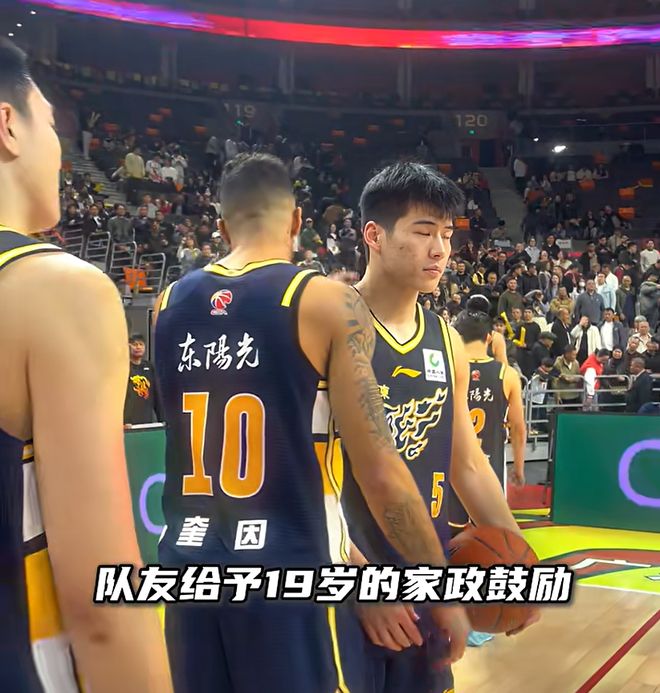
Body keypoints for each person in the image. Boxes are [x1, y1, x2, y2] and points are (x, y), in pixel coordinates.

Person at [153, 154, 476, 693]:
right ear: (298, 220)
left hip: (189, 574)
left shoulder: (166, 304)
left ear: (221, 226)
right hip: (292, 578)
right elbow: (381, 473)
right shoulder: (325, 300)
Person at [0, 39, 172, 691]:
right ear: (8, 125)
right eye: (51, 124)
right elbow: (103, 605)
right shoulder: (55, 290)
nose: (59, 148)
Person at [339, 162, 537, 693]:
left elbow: (466, 463)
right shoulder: (330, 325)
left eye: (447, 235)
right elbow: (300, 478)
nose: (440, 250)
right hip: (348, 575)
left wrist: (522, 566)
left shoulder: (445, 339)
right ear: (374, 235)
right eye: (424, 232)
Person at [448, 309, 527, 530]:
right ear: (490, 338)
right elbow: (518, 428)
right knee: (490, 537)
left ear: (457, 336)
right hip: (488, 466)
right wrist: (519, 468)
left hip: (450, 466)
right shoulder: (507, 374)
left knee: (448, 537)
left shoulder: (445, 369)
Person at [124, 333, 163, 425]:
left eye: (141, 344)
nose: (138, 347)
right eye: (135, 344)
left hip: (146, 421)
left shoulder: (150, 367)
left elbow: (157, 396)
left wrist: (162, 419)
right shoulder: (123, 368)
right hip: (128, 423)